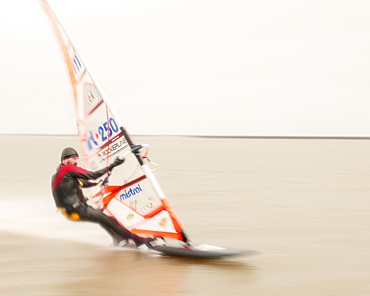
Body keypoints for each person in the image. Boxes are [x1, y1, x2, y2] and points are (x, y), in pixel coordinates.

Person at [51, 147, 152, 249]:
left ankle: (118, 239)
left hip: (69, 212)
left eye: (77, 158)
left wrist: (97, 184)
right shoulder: (67, 168)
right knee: (112, 221)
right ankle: (140, 241)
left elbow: (82, 183)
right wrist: (113, 165)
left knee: (101, 216)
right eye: (73, 158)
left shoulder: (59, 175)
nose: (76, 162)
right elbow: (92, 175)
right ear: (64, 160)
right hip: (79, 209)